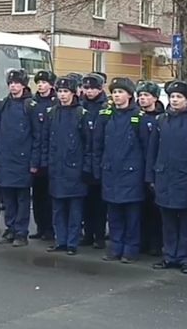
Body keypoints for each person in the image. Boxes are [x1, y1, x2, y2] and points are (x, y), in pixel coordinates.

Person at [147, 81, 187, 274]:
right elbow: (152, 151)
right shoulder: (161, 120)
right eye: (172, 97)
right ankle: (169, 255)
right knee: (168, 220)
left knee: (186, 221)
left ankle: (185, 258)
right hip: (164, 176)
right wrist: (151, 176)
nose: (174, 100)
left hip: (186, 177)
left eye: (179, 97)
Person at [94, 77, 151, 263]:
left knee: (132, 215)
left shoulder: (138, 117)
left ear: (129, 94)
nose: (117, 96)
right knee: (114, 214)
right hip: (111, 171)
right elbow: (98, 144)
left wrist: (146, 176)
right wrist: (98, 168)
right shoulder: (106, 115)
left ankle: (130, 249)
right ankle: (115, 247)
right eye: (114, 92)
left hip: (132, 173)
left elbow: (147, 148)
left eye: (120, 92)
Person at [42, 77, 92, 255]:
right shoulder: (52, 113)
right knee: (58, 208)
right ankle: (60, 240)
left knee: (74, 209)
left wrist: (86, 167)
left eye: (66, 92)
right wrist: (45, 162)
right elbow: (46, 140)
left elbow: (88, 144)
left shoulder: (81, 114)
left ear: (73, 93)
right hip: (56, 168)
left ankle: (72, 242)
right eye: (60, 92)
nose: (62, 95)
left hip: (75, 168)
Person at [0, 70, 40, 247]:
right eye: (11, 83)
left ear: (24, 85)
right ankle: (10, 228)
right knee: (8, 197)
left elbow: (37, 135)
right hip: (5, 158)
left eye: (17, 83)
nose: (13, 86)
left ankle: (21, 232)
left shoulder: (30, 106)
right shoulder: (3, 105)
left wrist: (34, 161)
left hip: (23, 160)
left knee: (22, 198)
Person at [137, 80, 165, 257]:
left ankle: (156, 243)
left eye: (146, 95)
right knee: (140, 209)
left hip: (155, 167)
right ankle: (142, 241)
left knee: (155, 210)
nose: (142, 99)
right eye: (140, 96)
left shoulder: (160, 118)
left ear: (154, 98)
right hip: (137, 167)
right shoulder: (136, 116)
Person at [80, 73, 109, 249]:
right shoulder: (81, 107)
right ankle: (88, 234)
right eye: (87, 88)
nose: (89, 91)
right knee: (86, 201)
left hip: (99, 160)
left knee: (99, 203)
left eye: (93, 88)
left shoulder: (106, 108)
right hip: (84, 160)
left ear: (100, 89)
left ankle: (99, 235)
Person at [30, 70, 58, 241]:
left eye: (44, 82)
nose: (41, 85)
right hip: (35, 154)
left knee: (50, 197)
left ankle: (50, 229)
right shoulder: (32, 103)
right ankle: (40, 227)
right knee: (38, 195)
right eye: (38, 82)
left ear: (51, 84)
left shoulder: (56, 103)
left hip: (50, 154)